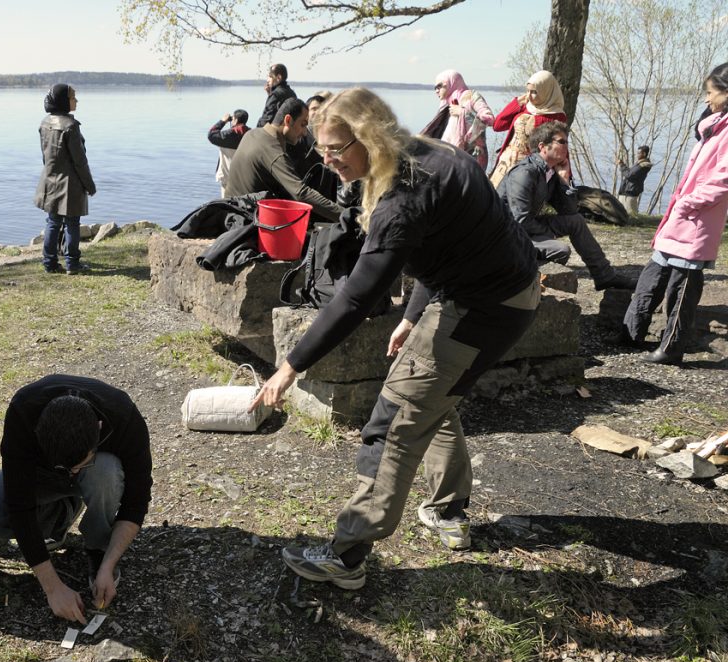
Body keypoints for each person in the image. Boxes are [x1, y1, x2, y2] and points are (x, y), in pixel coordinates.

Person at [250, 88, 541, 590]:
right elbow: (446, 243)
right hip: (505, 289)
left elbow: (354, 299)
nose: (327, 160)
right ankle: (447, 509)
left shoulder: (402, 199)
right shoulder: (431, 152)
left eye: (336, 149)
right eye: (322, 148)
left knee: (392, 421)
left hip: (483, 308)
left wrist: (289, 367)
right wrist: (412, 316)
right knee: (431, 394)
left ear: (370, 138)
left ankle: (346, 556)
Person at [0, 375, 152, 622]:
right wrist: (53, 589)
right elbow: (19, 505)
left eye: (81, 464)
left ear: (99, 428)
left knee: (106, 471)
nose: (73, 473)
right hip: (40, 476)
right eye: (66, 468)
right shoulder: (23, 411)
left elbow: (136, 503)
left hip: (98, 477)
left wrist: (109, 565)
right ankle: (60, 518)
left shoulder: (124, 418)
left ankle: (98, 548)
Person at [623, 63, 728, 365]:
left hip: (696, 221)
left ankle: (671, 349)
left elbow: (722, 180)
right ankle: (631, 333)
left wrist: (688, 204)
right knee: (652, 276)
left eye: (710, 92)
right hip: (681, 217)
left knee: (683, 287)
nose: (706, 98)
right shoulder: (713, 125)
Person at [496, 122, 635, 290]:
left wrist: (564, 180)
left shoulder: (549, 172)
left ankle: (605, 276)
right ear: (542, 146)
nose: (566, 146)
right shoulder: (524, 173)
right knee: (561, 250)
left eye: (567, 142)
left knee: (575, 221)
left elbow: (569, 210)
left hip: (527, 226)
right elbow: (521, 220)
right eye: (562, 142)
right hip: (508, 234)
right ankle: (523, 276)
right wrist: (549, 235)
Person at [225, 97, 343, 223]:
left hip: (229, 212)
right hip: (245, 222)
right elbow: (301, 193)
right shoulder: (274, 151)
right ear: (288, 120)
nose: (304, 133)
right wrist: (346, 216)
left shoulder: (252, 134)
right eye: (303, 124)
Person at [35, 83, 96, 275]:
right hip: (70, 184)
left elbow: (45, 156)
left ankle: (49, 263)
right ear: (63, 100)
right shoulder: (70, 126)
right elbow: (80, 162)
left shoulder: (45, 123)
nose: (76, 100)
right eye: (73, 97)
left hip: (50, 179)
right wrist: (89, 185)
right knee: (72, 223)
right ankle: (72, 264)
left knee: (53, 222)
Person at [489, 70, 567, 187]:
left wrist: (565, 178)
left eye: (534, 92)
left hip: (527, 169)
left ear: (546, 91)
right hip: (505, 163)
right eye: (528, 90)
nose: (529, 96)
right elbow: (497, 125)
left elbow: (559, 148)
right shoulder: (525, 107)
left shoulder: (556, 116)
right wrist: (516, 103)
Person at [422, 70, 495, 169]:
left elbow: (489, 119)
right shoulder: (446, 105)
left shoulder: (472, 96)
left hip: (473, 159)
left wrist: (463, 113)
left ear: (451, 82)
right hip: (452, 158)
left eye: (439, 86)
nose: (436, 91)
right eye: (435, 88)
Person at [208, 109, 250, 197]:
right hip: (245, 177)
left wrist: (223, 121)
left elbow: (211, 135)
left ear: (236, 120)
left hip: (227, 177)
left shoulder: (226, 135)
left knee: (226, 202)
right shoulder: (251, 134)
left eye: (233, 118)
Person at [616, 146, 653, 214]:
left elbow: (629, 175)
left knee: (631, 214)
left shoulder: (644, 165)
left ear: (644, 154)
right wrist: (623, 165)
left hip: (631, 192)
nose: (637, 155)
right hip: (627, 191)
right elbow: (630, 172)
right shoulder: (639, 164)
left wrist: (621, 165)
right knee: (621, 213)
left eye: (639, 153)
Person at [257, 63, 297, 128]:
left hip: (273, 131)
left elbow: (268, 118)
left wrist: (258, 129)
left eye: (270, 76)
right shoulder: (292, 93)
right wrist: (270, 94)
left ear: (278, 77)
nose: (267, 80)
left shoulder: (276, 95)